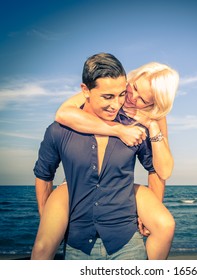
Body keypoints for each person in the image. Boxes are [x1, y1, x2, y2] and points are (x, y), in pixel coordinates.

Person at [33, 53, 175, 260]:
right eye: (132, 88)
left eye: (142, 99)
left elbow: (161, 170)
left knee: (165, 225)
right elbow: (63, 114)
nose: (127, 100)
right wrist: (118, 130)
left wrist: (153, 125)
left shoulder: (150, 121)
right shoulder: (92, 99)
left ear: (153, 104)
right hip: (75, 185)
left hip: (121, 200)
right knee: (42, 247)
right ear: (130, 80)